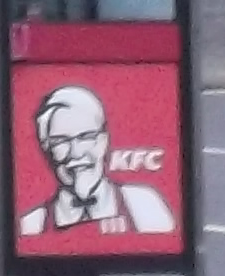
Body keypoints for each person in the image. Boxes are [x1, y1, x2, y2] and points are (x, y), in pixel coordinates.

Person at [19, 80, 176, 236]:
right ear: (46, 149)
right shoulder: (31, 225)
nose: (76, 152)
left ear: (103, 141)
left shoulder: (144, 205)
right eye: (61, 141)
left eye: (86, 137)